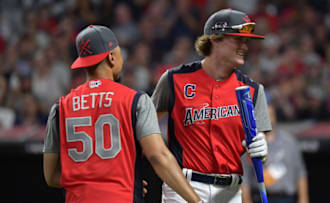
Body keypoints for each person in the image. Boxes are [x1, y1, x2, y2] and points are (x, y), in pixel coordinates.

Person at [43, 25, 203, 203]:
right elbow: (159, 157)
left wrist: (95, 183)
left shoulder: (60, 107)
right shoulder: (135, 100)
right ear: (111, 57)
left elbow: (51, 177)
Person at [151, 9, 272, 203]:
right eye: (238, 39)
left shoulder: (253, 90)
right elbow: (144, 130)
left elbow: (258, 154)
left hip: (230, 191)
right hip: (184, 186)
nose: (245, 47)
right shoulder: (174, 80)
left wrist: (262, 151)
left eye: (246, 41)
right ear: (215, 39)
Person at [241, 104, 309, 203]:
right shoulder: (251, 144)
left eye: (270, 116)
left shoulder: (289, 141)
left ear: (275, 117)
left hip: (286, 198)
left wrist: (303, 199)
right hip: (261, 198)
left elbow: (300, 172)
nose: (267, 120)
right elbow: (244, 178)